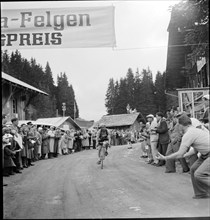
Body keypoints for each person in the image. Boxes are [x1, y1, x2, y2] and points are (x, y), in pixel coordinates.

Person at [156, 114, 210, 199]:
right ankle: (201, 193)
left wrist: (166, 158)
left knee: (199, 174)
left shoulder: (189, 134)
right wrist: (185, 154)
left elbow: (179, 154)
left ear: (181, 125)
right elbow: (195, 149)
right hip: (205, 155)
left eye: (178, 124)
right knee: (193, 169)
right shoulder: (194, 130)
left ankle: (202, 192)